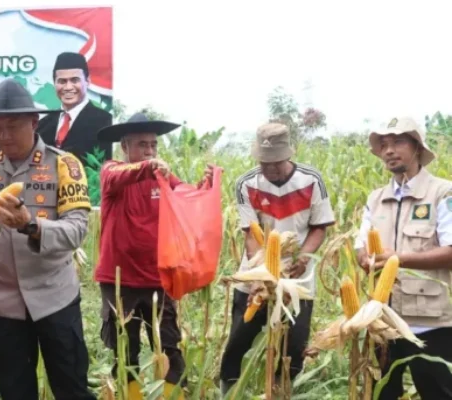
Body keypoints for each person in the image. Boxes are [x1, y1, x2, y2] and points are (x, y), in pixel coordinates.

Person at [0, 78, 96, 399]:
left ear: (34, 123)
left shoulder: (63, 164)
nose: (3, 135)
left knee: (72, 389)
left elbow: (76, 230)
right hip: (5, 305)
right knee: (14, 392)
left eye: (13, 126)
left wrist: (30, 226)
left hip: (55, 300)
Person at [93, 112, 212, 399]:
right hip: (120, 281)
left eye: (153, 145)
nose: (149, 151)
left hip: (159, 278)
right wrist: (147, 167)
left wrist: (205, 186)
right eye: (142, 145)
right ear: (125, 146)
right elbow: (113, 176)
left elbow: (186, 197)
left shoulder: (163, 178)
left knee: (170, 347)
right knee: (126, 351)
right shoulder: (113, 171)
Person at [218, 122, 335, 396]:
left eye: (276, 162)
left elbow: (320, 226)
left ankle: (282, 391)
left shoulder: (310, 180)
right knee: (238, 341)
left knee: (292, 348)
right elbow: (250, 235)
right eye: (264, 162)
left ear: (288, 156)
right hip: (258, 273)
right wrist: (261, 278)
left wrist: (304, 257)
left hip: (298, 278)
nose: (269, 168)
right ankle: (228, 391)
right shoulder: (246, 183)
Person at [354, 116, 452, 399]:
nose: (389, 150)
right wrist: (364, 258)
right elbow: (362, 245)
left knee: (438, 393)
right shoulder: (375, 199)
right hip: (382, 319)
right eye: (383, 144)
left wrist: (398, 259)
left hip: (430, 321)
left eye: (398, 142)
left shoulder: (442, 193)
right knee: (383, 393)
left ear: (418, 147)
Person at [37, 51, 113, 170]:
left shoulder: (106, 123)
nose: (68, 87)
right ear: (54, 83)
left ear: (88, 81)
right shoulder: (42, 126)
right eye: (62, 81)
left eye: (75, 80)